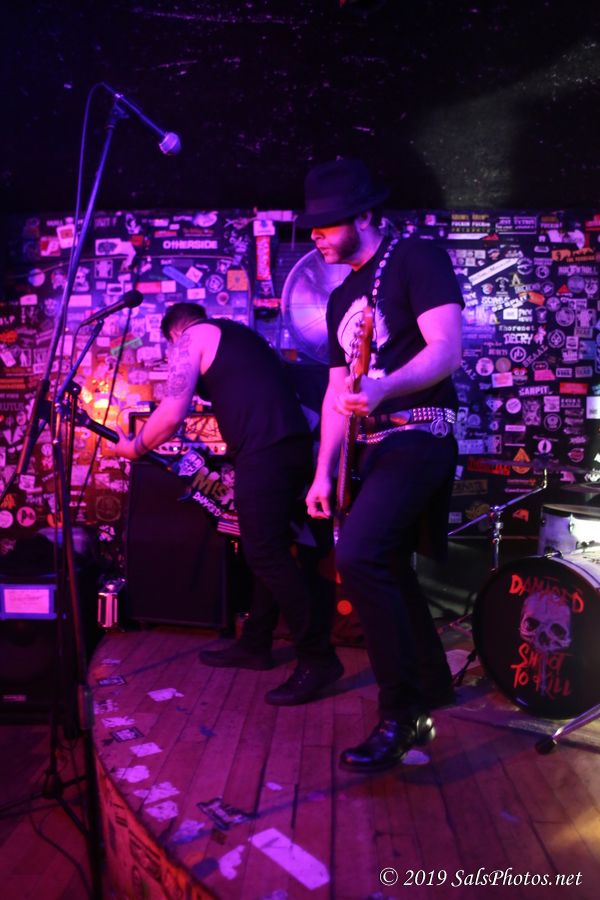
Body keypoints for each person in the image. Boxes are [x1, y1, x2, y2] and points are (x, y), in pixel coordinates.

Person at [300, 159, 464, 772]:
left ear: (365, 215)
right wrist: (323, 471)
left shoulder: (418, 258)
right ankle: (432, 684)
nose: (315, 234)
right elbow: (335, 392)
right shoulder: (340, 296)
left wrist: (386, 387)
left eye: (327, 223)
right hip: (371, 445)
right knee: (387, 563)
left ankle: (404, 714)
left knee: (360, 556)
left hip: (421, 430)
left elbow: (448, 350)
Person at [113, 303, 342, 705]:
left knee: (265, 553)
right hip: (291, 450)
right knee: (266, 550)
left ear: (173, 335)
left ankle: (318, 658)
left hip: (265, 452)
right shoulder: (240, 336)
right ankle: (256, 643)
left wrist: (133, 448)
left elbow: (171, 414)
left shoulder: (192, 337)